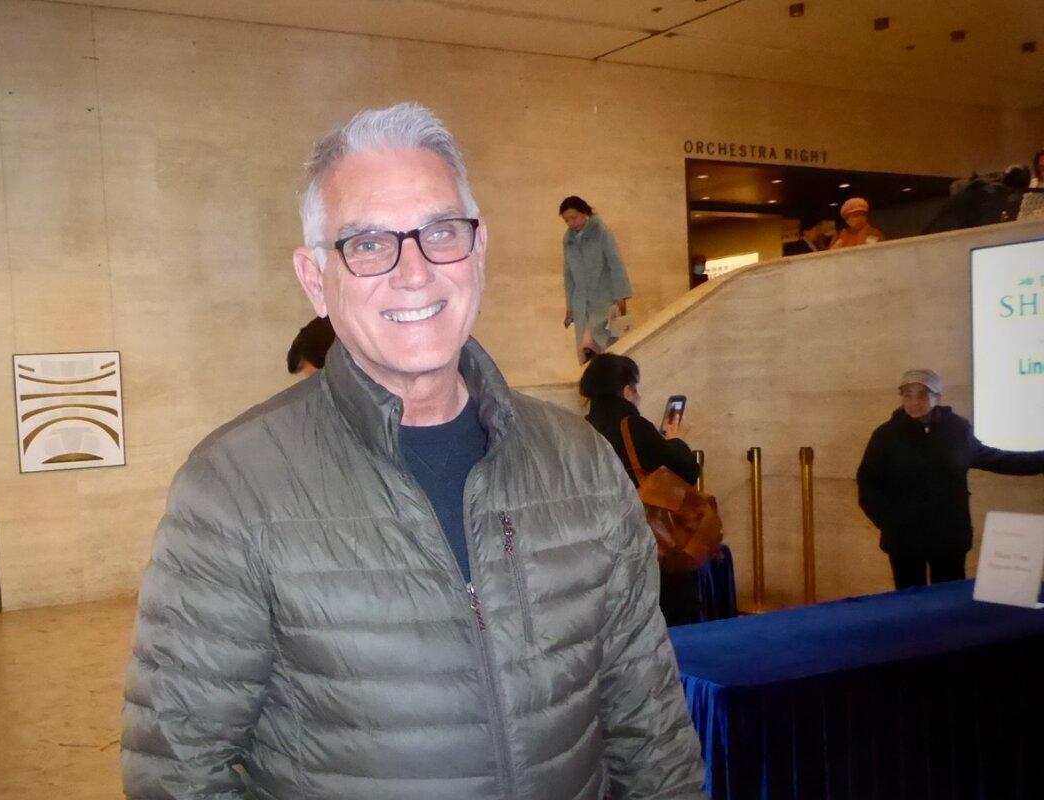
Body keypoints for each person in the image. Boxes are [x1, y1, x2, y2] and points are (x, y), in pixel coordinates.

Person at [121, 103, 705, 800]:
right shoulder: (233, 490)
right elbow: (178, 772)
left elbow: (650, 728)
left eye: (441, 232)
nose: (415, 271)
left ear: (478, 252)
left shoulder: (580, 463)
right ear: (315, 280)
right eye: (368, 244)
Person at [856, 369, 1044, 590]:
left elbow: (997, 459)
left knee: (949, 600)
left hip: (949, 539)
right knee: (909, 603)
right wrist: (891, 524)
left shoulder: (957, 430)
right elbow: (868, 485)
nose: (914, 401)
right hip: (903, 541)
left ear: (938, 397)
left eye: (923, 394)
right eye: (908, 394)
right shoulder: (885, 435)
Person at [579, 354, 704, 627]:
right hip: (646, 542)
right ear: (627, 390)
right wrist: (677, 441)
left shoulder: (580, 430)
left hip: (601, 546)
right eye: (637, 390)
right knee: (669, 616)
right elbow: (686, 471)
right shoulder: (632, 426)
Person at [560, 196, 633, 364]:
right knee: (586, 350)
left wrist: (620, 295)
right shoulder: (568, 240)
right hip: (581, 303)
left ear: (584, 212)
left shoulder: (602, 232)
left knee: (603, 344)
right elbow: (568, 275)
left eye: (573, 217)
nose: (571, 223)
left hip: (604, 299)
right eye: (566, 220)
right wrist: (570, 306)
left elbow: (615, 263)